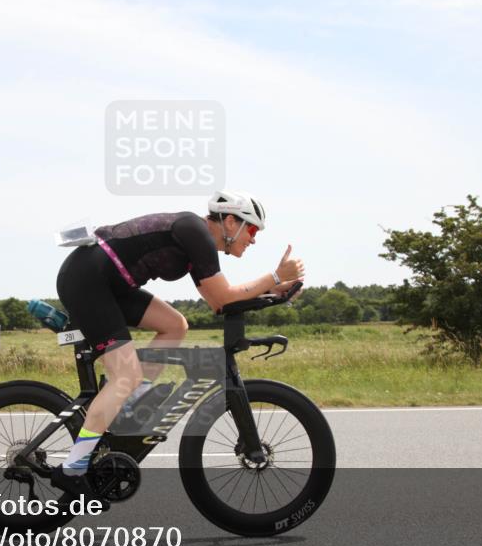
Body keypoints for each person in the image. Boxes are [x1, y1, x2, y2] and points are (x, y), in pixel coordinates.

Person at [51, 190, 304, 499]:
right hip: (88, 280)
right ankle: (73, 469)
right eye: (251, 229)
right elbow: (224, 296)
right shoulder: (195, 231)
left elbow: (218, 303)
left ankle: (129, 405)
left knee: (175, 325)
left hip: (110, 283)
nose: (253, 239)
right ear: (230, 221)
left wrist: (273, 292)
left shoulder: (199, 242)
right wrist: (274, 276)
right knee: (125, 377)